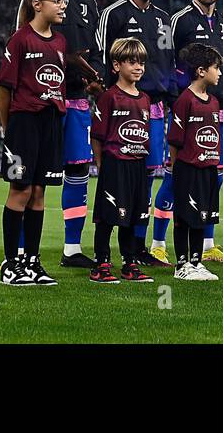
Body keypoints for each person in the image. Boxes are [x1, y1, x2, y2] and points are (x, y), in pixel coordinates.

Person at [96, 0, 175, 268]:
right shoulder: (113, 14)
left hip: (154, 109)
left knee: (146, 179)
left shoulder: (163, 18)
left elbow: (167, 63)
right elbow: (102, 62)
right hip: (121, 108)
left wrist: (170, 101)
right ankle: (104, 251)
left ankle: (137, 248)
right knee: (119, 179)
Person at [0, 0, 68, 287]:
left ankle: (33, 262)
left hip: (50, 123)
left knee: (39, 193)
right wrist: (10, 128)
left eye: (64, 0)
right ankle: (11, 264)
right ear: (37, 4)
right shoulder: (20, 39)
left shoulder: (61, 42)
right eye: (57, 1)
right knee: (20, 190)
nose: (63, 5)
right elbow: (4, 89)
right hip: (23, 123)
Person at [165, 0, 223, 264]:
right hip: (188, 109)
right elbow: (168, 63)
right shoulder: (179, 21)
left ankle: (206, 245)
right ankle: (159, 243)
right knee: (177, 177)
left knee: (214, 176)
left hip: (217, 112)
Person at [45, 0, 104, 269]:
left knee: (79, 168)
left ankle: (71, 248)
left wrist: (96, 77)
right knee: (35, 172)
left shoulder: (87, 4)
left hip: (78, 100)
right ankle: (25, 248)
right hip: (43, 98)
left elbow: (94, 50)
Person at [89, 37, 155, 284]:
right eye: (131, 62)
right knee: (108, 216)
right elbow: (97, 135)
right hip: (114, 165)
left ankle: (129, 262)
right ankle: (101, 262)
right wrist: (100, 163)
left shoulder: (146, 100)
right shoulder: (109, 98)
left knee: (133, 216)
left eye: (141, 62)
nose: (138, 67)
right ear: (116, 66)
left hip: (137, 165)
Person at [166, 43, 223, 282]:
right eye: (216, 68)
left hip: (208, 169)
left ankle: (197, 262)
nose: (220, 73)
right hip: (187, 168)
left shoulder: (214, 102)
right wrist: (176, 168)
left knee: (202, 217)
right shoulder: (184, 101)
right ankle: (182, 264)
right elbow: (175, 140)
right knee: (184, 217)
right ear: (201, 71)